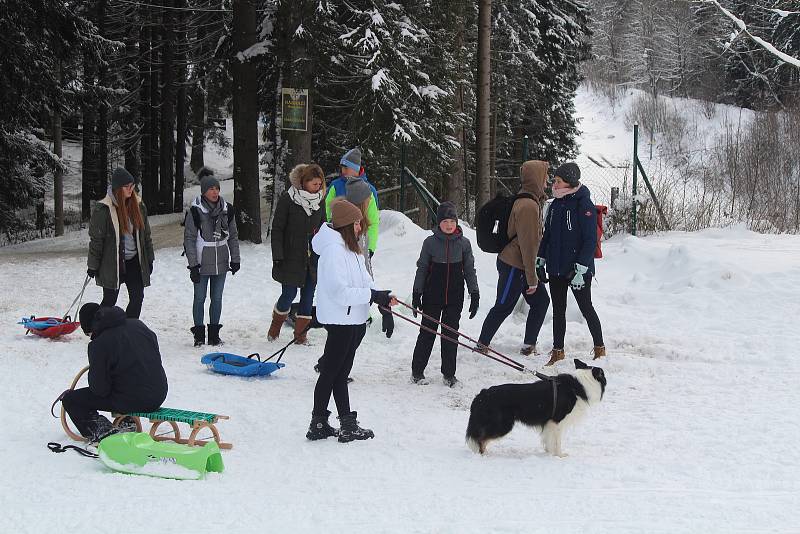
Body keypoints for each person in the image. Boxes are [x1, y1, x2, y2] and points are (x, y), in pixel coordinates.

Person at [306, 199, 396, 443]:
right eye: (357, 223)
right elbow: (339, 291)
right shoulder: (334, 251)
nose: (360, 228)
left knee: (337, 373)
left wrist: (382, 297)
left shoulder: (351, 248)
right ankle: (330, 423)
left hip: (353, 319)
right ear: (347, 225)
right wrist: (371, 296)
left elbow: (365, 280)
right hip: (340, 320)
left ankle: (328, 423)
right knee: (332, 373)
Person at [61, 303, 168, 443]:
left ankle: (104, 432)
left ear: (91, 327)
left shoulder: (99, 344)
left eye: (89, 334)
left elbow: (99, 390)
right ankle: (126, 421)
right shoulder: (138, 325)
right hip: (159, 393)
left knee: (71, 400)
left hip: (135, 399)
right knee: (125, 382)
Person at [477, 160, 551, 356]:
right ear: (536, 178)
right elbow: (529, 246)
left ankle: (528, 346)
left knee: (541, 301)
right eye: (545, 177)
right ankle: (482, 343)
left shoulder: (530, 201)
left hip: (519, 264)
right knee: (504, 305)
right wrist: (532, 278)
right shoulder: (528, 206)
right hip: (513, 265)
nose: (547, 182)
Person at [538, 162, 605, 366]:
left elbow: (589, 239)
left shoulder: (584, 205)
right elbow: (547, 235)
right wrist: (541, 259)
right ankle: (558, 351)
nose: (554, 184)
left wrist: (582, 267)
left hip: (577, 269)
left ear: (569, 182)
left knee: (586, 307)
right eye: (555, 181)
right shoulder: (555, 204)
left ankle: (600, 348)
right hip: (556, 266)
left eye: (558, 181)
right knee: (558, 310)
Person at [410, 201, 479, 387]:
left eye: (452, 221)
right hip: (432, 297)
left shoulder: (464, 244)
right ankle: (417, 372)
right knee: (427, 333)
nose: (449, 225)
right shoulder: (430, 243)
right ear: (438, 222)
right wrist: (417, 293)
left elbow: (469, 270)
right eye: (445, 221)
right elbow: (422, 268)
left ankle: (449, 374)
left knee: (450, 336)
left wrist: (475, 292)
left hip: (455, 298)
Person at [268, 163, 326, 344]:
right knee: (289, 294)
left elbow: (324, 226)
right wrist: (278, 254)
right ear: (304, 182)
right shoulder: (289, 199)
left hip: (312, 257)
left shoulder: (320, 201)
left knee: (308, 295)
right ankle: (275, 327)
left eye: (319, 184)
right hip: (291, 256)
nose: (318, 187)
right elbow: (277, 228)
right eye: (314, 184)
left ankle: (301, 335)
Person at [87, 167, 154, 319]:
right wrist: (93, 265)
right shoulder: (104, 209)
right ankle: (100, 329)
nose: (131, 189)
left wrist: (149, 258)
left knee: (137, 297)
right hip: (113, 263)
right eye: (127, 187)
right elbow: (96, 240)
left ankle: (130, 328)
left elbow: (146, 236)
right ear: (118, 188)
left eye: (132, 186)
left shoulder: (138, 205)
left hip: (134, 262)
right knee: (110, 300)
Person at [184, 171, 240, 346]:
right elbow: (190, 239)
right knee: (199, 298)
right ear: (203, 191)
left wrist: (235, 259)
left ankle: (214, 333)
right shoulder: (196, 211)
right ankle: (199, 334)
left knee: (217, 298)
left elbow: (233, 236)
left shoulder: (227, 209)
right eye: (211, 189)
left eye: (217, 188)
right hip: (202, 261)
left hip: (221, 261)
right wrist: (193, 265)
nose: (215, 192)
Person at [324, 147, 380, 258]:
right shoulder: (335, 186)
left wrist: (370, 247)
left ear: (356, 169)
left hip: (360, 240)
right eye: (342, 168)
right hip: (338, 238)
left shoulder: (369, 190)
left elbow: (373, 222)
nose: (343, 171)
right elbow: (326, 213)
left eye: (346, 168)